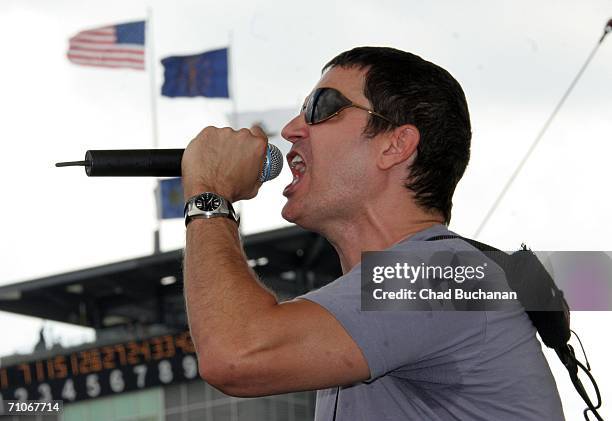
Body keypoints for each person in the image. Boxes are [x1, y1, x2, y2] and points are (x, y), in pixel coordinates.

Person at [180, 47, 565, 420]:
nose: (291, 130)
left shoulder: (436, 277)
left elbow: (236, 353)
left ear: (395, 146)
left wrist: (209, 192)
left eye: (321, 108)